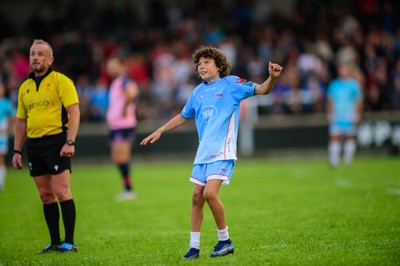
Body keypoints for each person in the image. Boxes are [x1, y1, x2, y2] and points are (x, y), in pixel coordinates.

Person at [140, 46, 283, 259]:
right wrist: (160, 130)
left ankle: (225, 241)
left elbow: (262, 90)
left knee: (209, 194)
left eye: (207, 62)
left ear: (219, 65)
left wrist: (271, 78)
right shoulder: (197, 92)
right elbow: (183, 115)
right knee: (197, 196)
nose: (202, 67)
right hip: (203, 152)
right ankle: (194, 247)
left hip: (223, 151)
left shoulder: (232, 83)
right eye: (199, 64)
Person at [12, 39, 80, 254]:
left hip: (57, 142)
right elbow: (21, 121)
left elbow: (74, 112)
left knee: (61, 191)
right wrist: (16, 150)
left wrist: (70, 141)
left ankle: (69, 242)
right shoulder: (25, 87)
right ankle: (55, 242)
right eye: (33, 54)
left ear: (50, 59)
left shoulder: (61, 81)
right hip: (34, 146)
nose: (36, 58)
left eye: (41, 54)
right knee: (45, 195)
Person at [106, 56, 139, 201]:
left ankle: (129, 190)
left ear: (121, 66)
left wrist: (125, 108)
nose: (111, 69)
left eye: (113, 66)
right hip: (115, 126)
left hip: (124, 126)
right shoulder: (115, 83)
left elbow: (132, 93)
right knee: (117, 159)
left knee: (122, 157)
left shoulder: (125, 80)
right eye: (109, 66)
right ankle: (127, 189)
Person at [327, 63, 363, 167]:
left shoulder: (354, 84)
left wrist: (357, 113)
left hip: (349, 114)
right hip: (337, 114)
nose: (342, 71)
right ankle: (334, 160)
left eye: (344, 69)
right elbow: (330, 100)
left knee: (350, 137)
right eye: (340, 69)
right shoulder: (334, 84)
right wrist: (331, 113)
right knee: (334, 136)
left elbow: (358, 100)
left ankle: (348, 160)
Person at [0, 82, 16, 191]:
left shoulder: (6, 103)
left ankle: (0, 182)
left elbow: (15, 116)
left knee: (1, 159)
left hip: (1, 137)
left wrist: (8, 129)